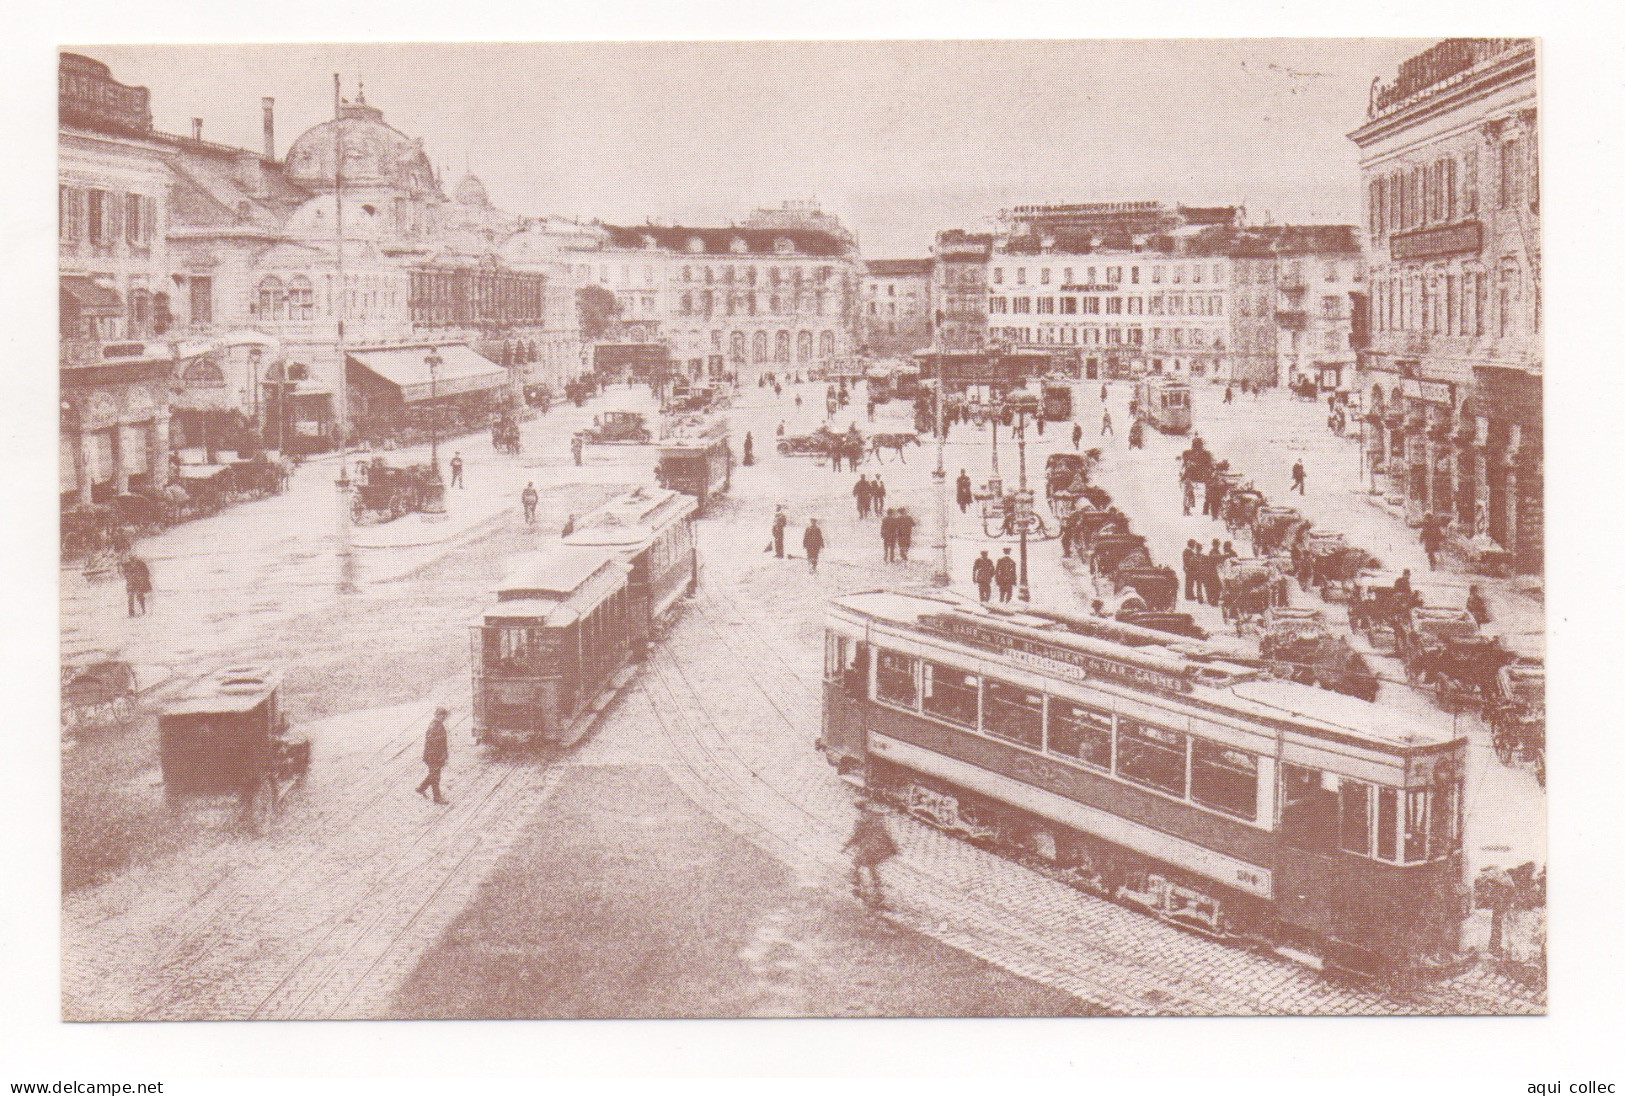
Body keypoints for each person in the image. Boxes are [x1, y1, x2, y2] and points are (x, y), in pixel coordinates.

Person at [844, 799, 898, 909]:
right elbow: (885, 832)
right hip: (879, 848)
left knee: (856, 864)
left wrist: (845, 847)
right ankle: (878, 893)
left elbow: (856, 836)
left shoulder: (861, 820)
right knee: (871, 869)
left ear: (858, 809)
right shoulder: (876, 815)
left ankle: (856, 888)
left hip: (868, 849)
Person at [416, 707, 450, 804]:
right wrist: (439, 756)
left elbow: (442, 743)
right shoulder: (434, 726)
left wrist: (444, 755)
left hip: (435, 756)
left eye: (444, 716)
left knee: (434, 775)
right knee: (435, 776)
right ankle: (437, 797)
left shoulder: (438, 725)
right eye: (442, 716)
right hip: (433, 756)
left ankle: (421, 788)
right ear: (437, 715)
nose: (443, 718)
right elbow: (433, 743)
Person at [1182, 539, 1201, 603]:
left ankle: (1189, 595)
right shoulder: (1189, 551)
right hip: (1190, 569)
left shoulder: (1186, 551)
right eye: (1194, 544)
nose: (1194, 546)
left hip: (1188, 568)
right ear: (1191, 544)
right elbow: (1189, 561)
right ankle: (1189, 596)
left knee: (1189, 582)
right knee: (1190, 582)